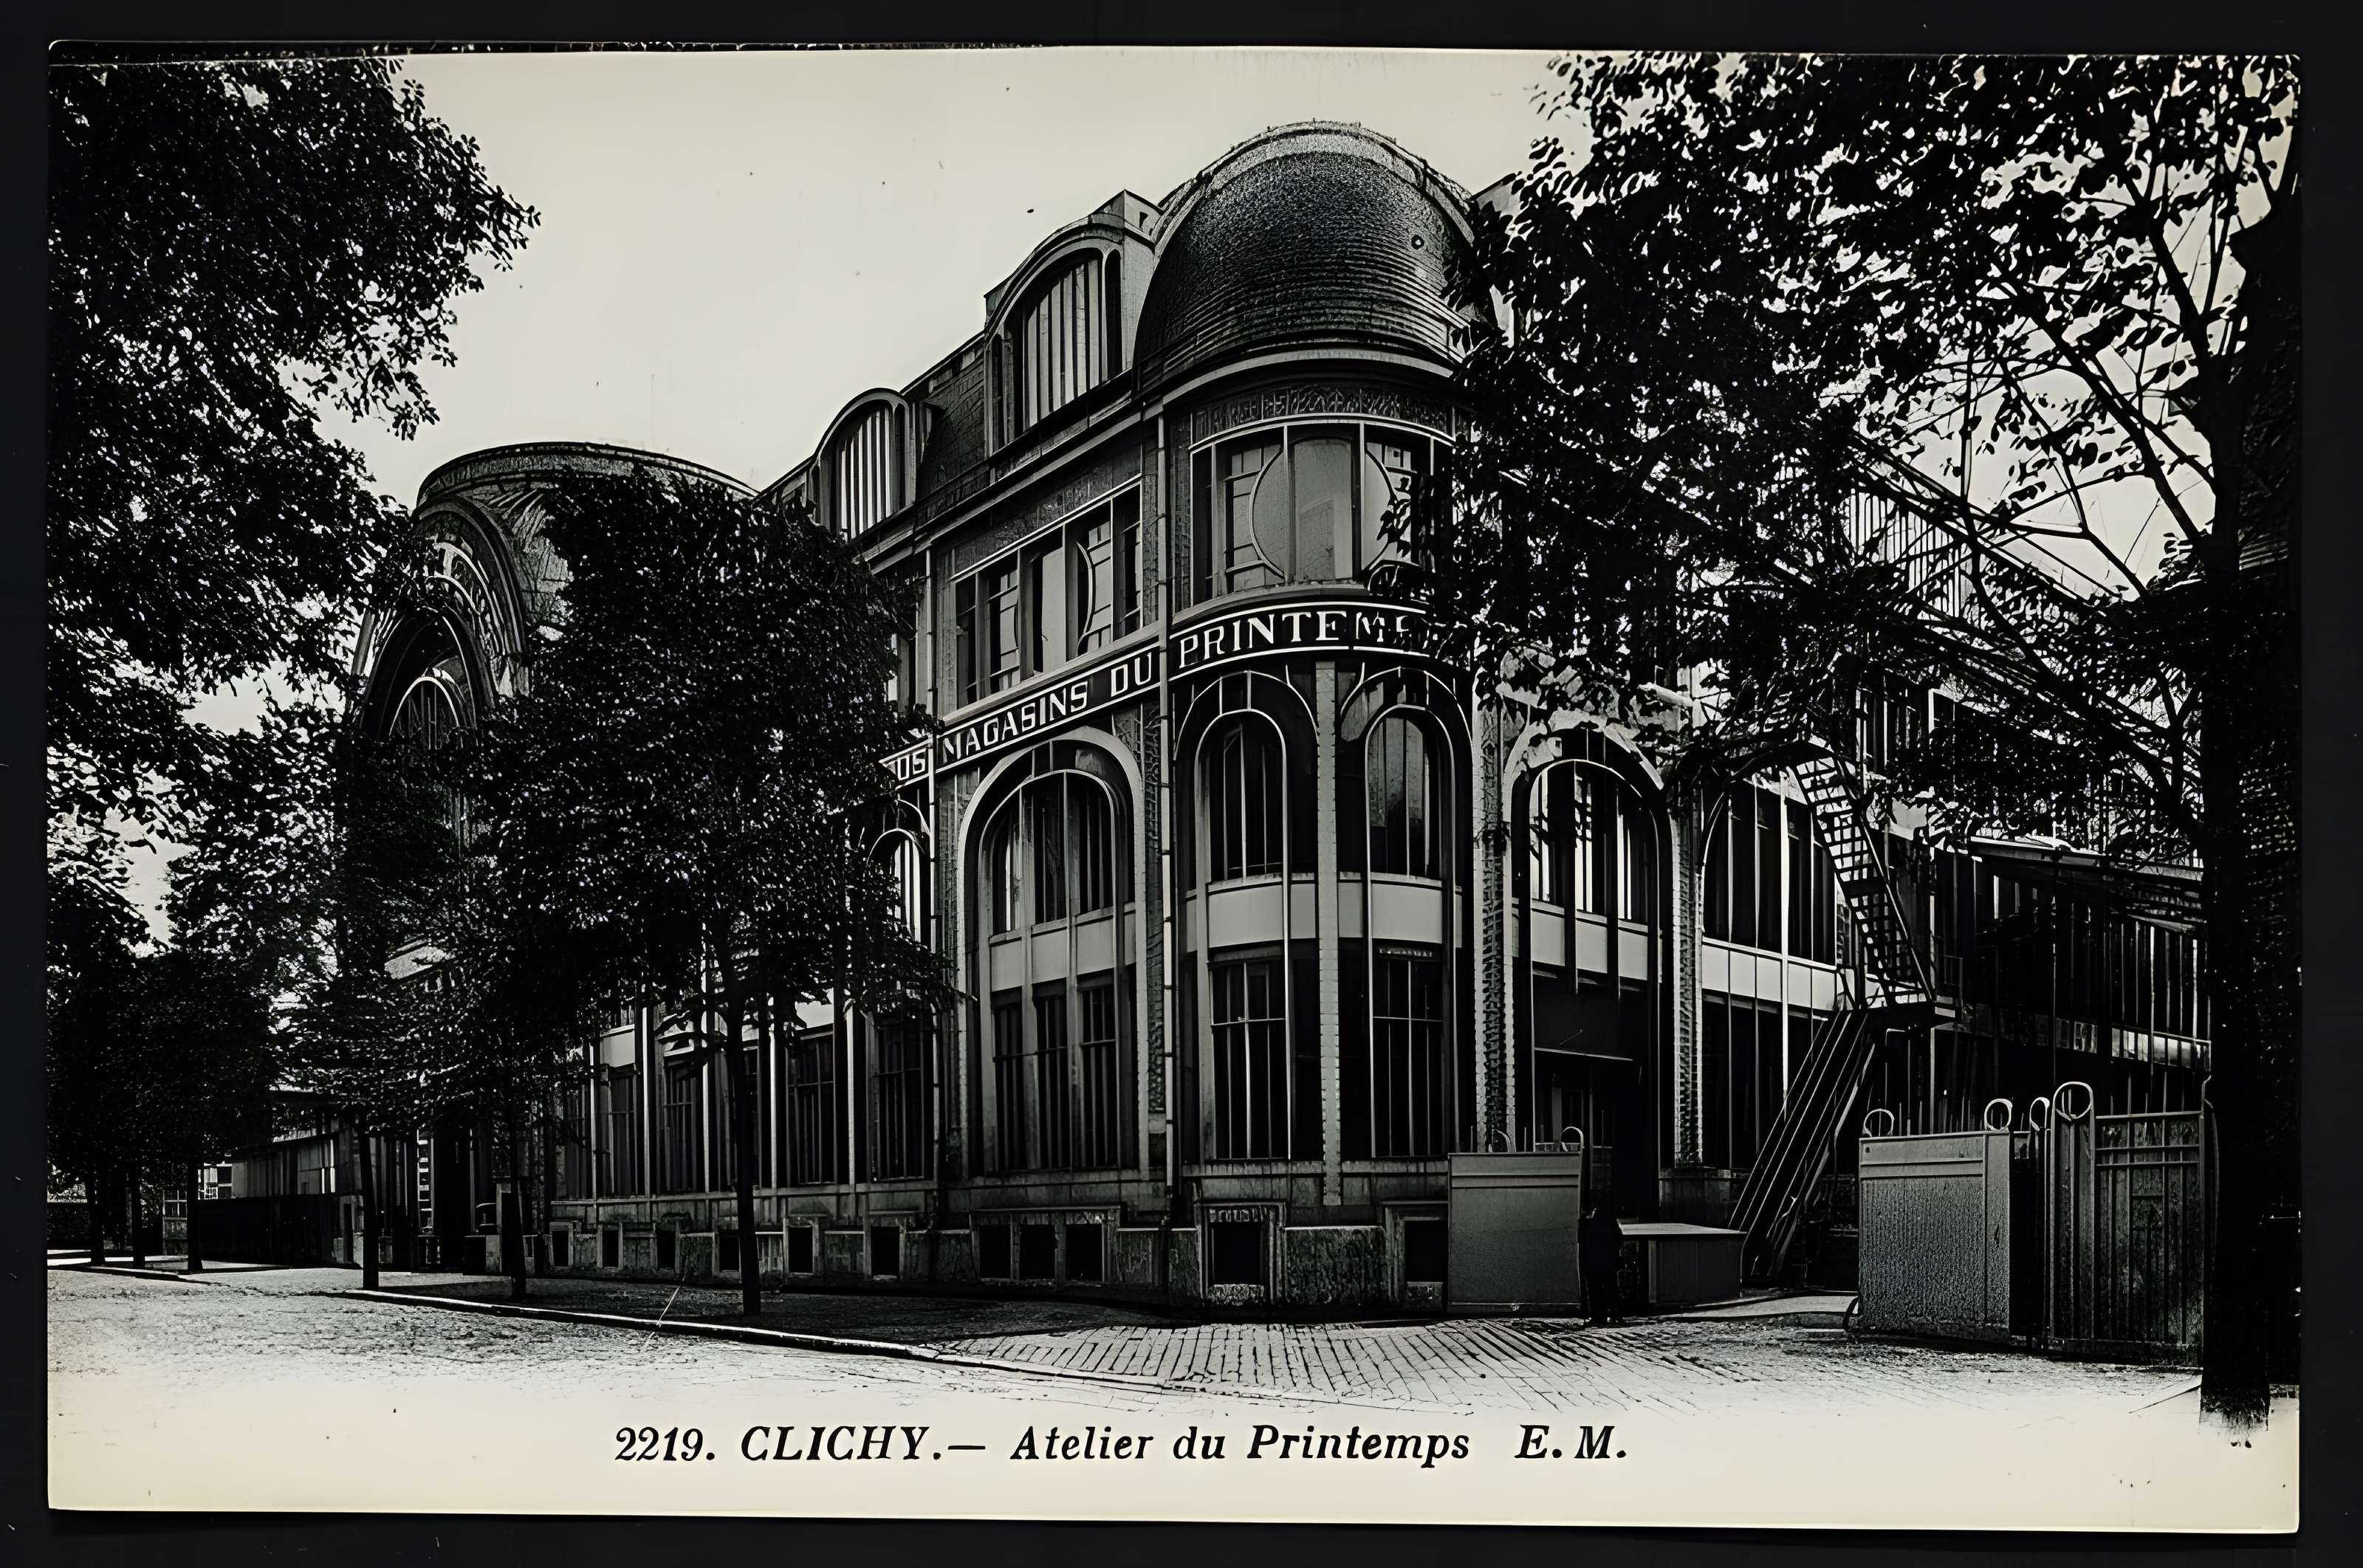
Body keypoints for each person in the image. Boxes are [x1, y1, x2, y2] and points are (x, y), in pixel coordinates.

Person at [1580, 1200, 1625, 1326]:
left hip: (1595, 1263)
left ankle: (1599, 1317)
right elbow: (1618, 1240)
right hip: (1607, 1262)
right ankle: (1615, 1315)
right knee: (1610, 1289)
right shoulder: (1609, 1224)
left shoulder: (1591, 1225)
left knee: (1597, 1291)